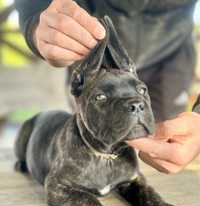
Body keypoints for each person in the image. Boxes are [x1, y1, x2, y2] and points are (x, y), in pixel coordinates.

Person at [15, 0, 200, 173]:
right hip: (91, 51)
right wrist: (35, 18)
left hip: (170, 54)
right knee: (93, 141)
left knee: (161, 151)